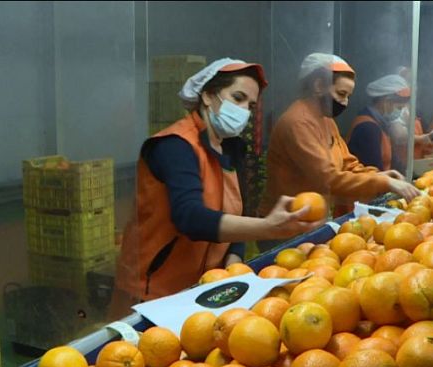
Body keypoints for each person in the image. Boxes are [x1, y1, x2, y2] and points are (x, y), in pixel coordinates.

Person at [110, 58, 322, 316]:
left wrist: (233, 266)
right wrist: (267, 227)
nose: (245, 110)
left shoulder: (232, 149)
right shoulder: (175, 146)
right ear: (208, 96)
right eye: (238, 97)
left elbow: (237, 218)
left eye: (251, 105)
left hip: (204, 290)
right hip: (153, 292)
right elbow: (190, 217)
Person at [258, 56, 419, 238]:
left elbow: (347, 164)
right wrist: (384, 182)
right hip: (285, 225)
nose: (345, 103)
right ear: (319, 86)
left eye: (348, 96)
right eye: (341, 94)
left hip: (310, 221)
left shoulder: (327, 120)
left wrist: (378, 175)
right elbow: (329, 178)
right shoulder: (298, 122)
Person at [348, 74, 425, 174]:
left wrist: (412, 176)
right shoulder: (367, 127)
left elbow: (393, 159)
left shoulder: (380, 124)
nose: (400, 112)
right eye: (399, 108)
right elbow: (374, 171)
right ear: (386, 102)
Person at [388, 67, 433, 165]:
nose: (414, 86)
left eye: (414, 82)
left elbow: (419, 139)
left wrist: (430, 140)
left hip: (416, 162)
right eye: (409, 81)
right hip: (402, 165)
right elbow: (399, 136)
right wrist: (422, 138)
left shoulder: (412, 109)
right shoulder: (396, 108)